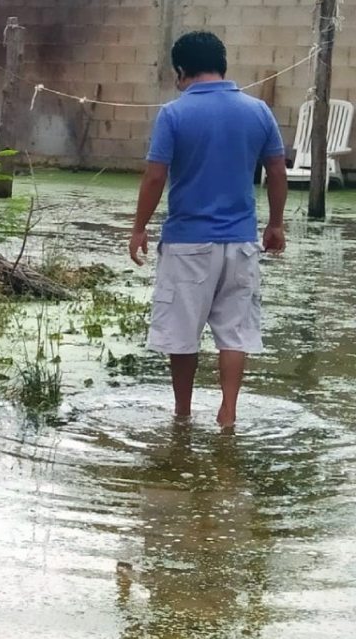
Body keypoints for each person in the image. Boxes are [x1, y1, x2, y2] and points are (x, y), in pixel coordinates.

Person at [130, 30, 287, 429]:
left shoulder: (174, 113)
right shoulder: (258, 110)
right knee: (235, 332)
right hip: (241, 241)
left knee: (182, 333)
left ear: (181, 71)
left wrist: (139, 227)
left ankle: (182, 412)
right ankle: (228, 410)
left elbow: (155, 177)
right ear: (222, 65)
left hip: (188, 242)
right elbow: (276, 170)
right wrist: (275, 224)